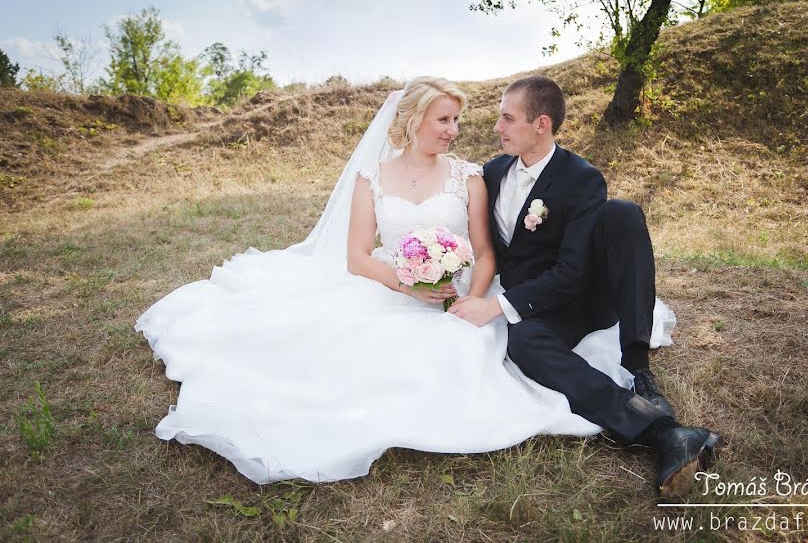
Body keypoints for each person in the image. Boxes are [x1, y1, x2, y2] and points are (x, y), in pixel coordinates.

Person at [134, 76, 677, 490]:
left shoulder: (508, 176)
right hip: (412, 291)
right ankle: (650, 428)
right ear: (415, 118)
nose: (470, 129)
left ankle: (639, 382)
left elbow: (498, 254)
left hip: (517, 292)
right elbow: (359, 255)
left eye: (500, 119)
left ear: (539, 124)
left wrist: (478, 297)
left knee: (612, 226)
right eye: (445, 120)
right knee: (339, 355)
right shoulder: (480, 172)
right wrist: (406, 282)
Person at [449, 76, 722, 497]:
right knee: (521, 345)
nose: (496, 128)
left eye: (507, 118)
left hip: (577, 297)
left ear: (541, 124)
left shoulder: (581, 178)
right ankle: (664, 433)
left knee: (624, 214)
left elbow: (572, 272)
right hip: (532, 301)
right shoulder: (493, 171)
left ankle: (638, 368)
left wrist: (498, 306)